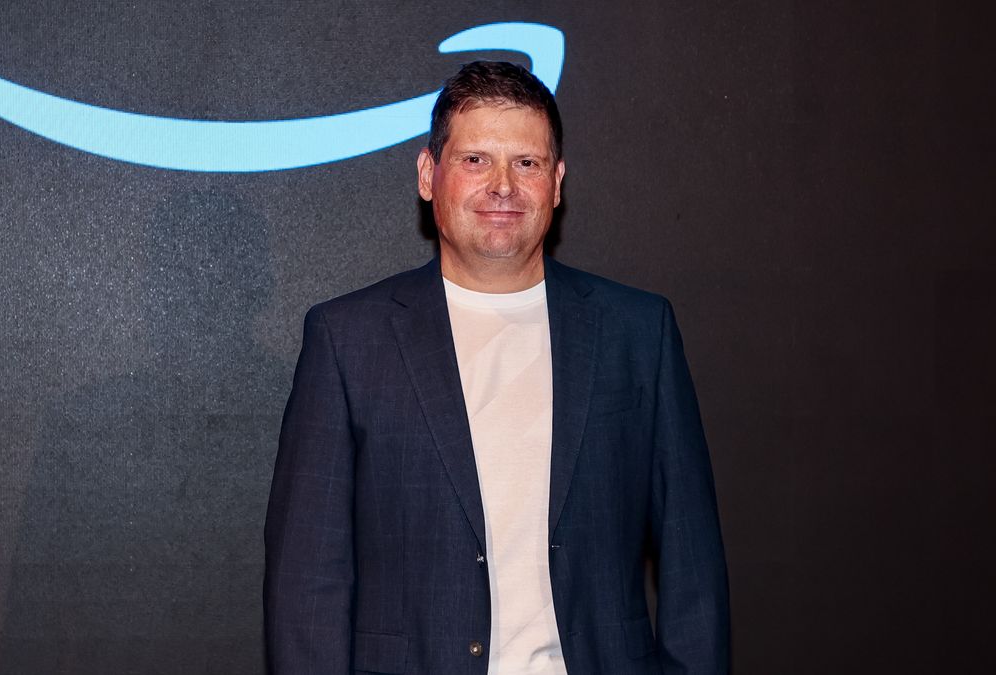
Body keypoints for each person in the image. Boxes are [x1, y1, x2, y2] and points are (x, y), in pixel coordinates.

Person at [264, 61, 729, 674]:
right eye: (476, 160)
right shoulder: (349, 340)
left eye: (527, 163)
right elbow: (307, 582)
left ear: (557, 182)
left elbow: (691, 563)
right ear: (430, 176)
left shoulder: (638, 332)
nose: (503, 185)